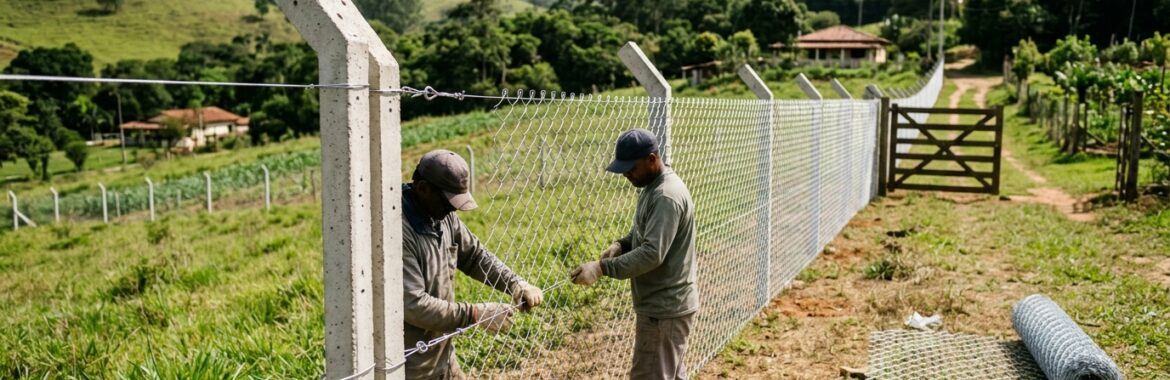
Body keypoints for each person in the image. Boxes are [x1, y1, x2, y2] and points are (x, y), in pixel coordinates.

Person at [402, 149, 544, 379]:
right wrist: (476, 314)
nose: (453, 209)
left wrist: (515, 284)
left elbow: (475, 256)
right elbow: (413, 305)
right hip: (410, 367)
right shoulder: (398, 232)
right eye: (448, 201)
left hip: (443, 356)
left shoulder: (440, 214)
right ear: (423, 189)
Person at [570, 128, 698, 380]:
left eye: (631, 167)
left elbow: (652, 253)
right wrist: (621, 245)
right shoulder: (653, 186)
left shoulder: (665, 196)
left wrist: (601, 268)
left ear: (652, 159)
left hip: (663, 310)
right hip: (667, 306)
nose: (626, 174)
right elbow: (643, 234)